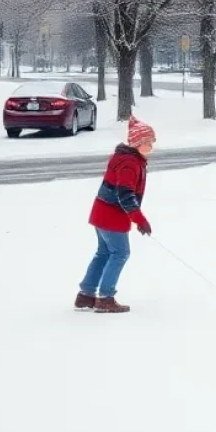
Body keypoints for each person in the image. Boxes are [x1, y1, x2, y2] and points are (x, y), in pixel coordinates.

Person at [74, 116, 155, 314]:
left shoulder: (127, 158)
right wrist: (141, 220)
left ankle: (86, 294)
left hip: (102, 214)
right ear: (137, 143)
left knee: (104, 253)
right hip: (111, 217)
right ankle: (105, 297)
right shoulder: (129, 163)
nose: (152, 146)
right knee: (120, 253)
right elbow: (125, 196)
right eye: (148, 142)